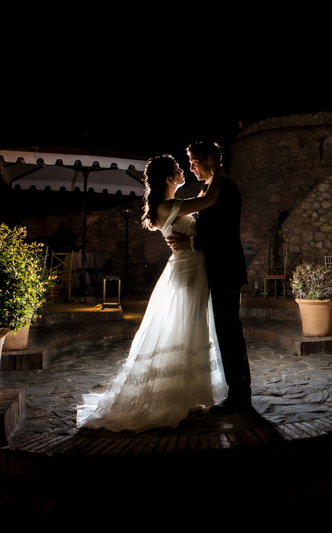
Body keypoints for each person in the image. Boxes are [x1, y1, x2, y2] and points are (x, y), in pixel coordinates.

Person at [76, 155, 228, 432]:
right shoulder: (168, 205)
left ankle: (188, 391)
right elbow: (209, 200)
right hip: (189, 270)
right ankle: (177, 394)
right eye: (177, 169)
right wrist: (217, 171)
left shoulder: (166, 206)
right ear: (169, 179)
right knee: (186, 328)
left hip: (189, 266)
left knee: (190, 329)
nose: (183, 170)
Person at [165, 141, 252, 412]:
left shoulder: (226, 189)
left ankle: (240, 395)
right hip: (216, 270)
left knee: (229, 334)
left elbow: (222, 233)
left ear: (211, 160)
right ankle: (237, 393)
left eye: (194, 161)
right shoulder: (209, 189)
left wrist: (189, 244)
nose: (191, 167)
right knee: (225, 333)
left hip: (226, 269)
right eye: (189, 162)